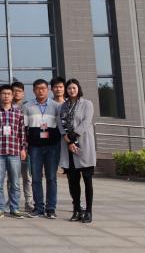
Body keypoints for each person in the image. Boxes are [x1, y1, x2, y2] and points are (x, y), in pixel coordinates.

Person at [58, 79, 96, 223]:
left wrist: (73, 137)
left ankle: (88, 211)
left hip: (83, 145)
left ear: (78, 88)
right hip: (68, 147)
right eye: (69, 88)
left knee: (87, 180)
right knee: (73, 181)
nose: (71, 90)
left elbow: (86, 122)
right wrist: (67, 139)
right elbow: (60, 123)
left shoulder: (87, 104)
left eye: (74, 88)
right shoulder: (63, 106)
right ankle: (77, 210)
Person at [23, 79, 62, 219]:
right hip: (35, 147)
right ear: (33, 90)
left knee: (51, 178)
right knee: (36, 178)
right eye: (38, 88)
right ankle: (39, 208)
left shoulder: (57, 106)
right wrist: (24, 147)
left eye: (43, 88)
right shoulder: (27, 106)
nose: (41, 91)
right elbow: (24, 129)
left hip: (52, 147)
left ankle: (51, 208)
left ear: (48, 89)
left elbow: (61, 126)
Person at [0, 85, 27, 219]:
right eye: (4, 93)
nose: (6, 96)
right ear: (0, 95)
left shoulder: (19, 113)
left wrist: (23, 148)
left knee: (15, 183)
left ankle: (14, 208)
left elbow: (22, 132)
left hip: (14, 152)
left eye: (8, 94)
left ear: (12, 96)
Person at [12, 81, 34, 212]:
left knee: (27, 176)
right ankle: (12, 201)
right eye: (14, 91)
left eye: (19, 91)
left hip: (25, 147)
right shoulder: (7, 107)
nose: (16, 93)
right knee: (12, 177)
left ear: (23, 93)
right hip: (11, 147)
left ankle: (28, 201)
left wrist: (25, 146)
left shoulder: (28, 107)